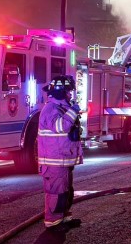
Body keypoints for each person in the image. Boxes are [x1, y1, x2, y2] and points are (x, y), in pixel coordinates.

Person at [38, 75, 84, 231]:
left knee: (65, 191)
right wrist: (73, 112)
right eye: (68, 91)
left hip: (62, 159)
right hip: (54, 162)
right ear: (60, 92)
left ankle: (63, 218)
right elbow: (61, 127)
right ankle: (53, 223)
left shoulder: (61, 108)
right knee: (56, 193)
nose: (70, 94)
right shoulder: (50, 109)